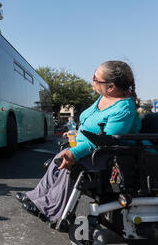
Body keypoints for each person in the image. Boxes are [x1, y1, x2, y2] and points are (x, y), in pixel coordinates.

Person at [16, 60, 141, 228]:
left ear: (111, 87)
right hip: (94, 148)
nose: (92, 79)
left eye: (96, 78)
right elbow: (91, 125)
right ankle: (36, 196)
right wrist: (76, 134)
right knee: (59, 158)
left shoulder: (124, 108)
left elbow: (106, 140)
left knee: (71, 166)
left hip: (111, 155)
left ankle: (50, 210)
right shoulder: (104, 97)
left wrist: (75, 153)